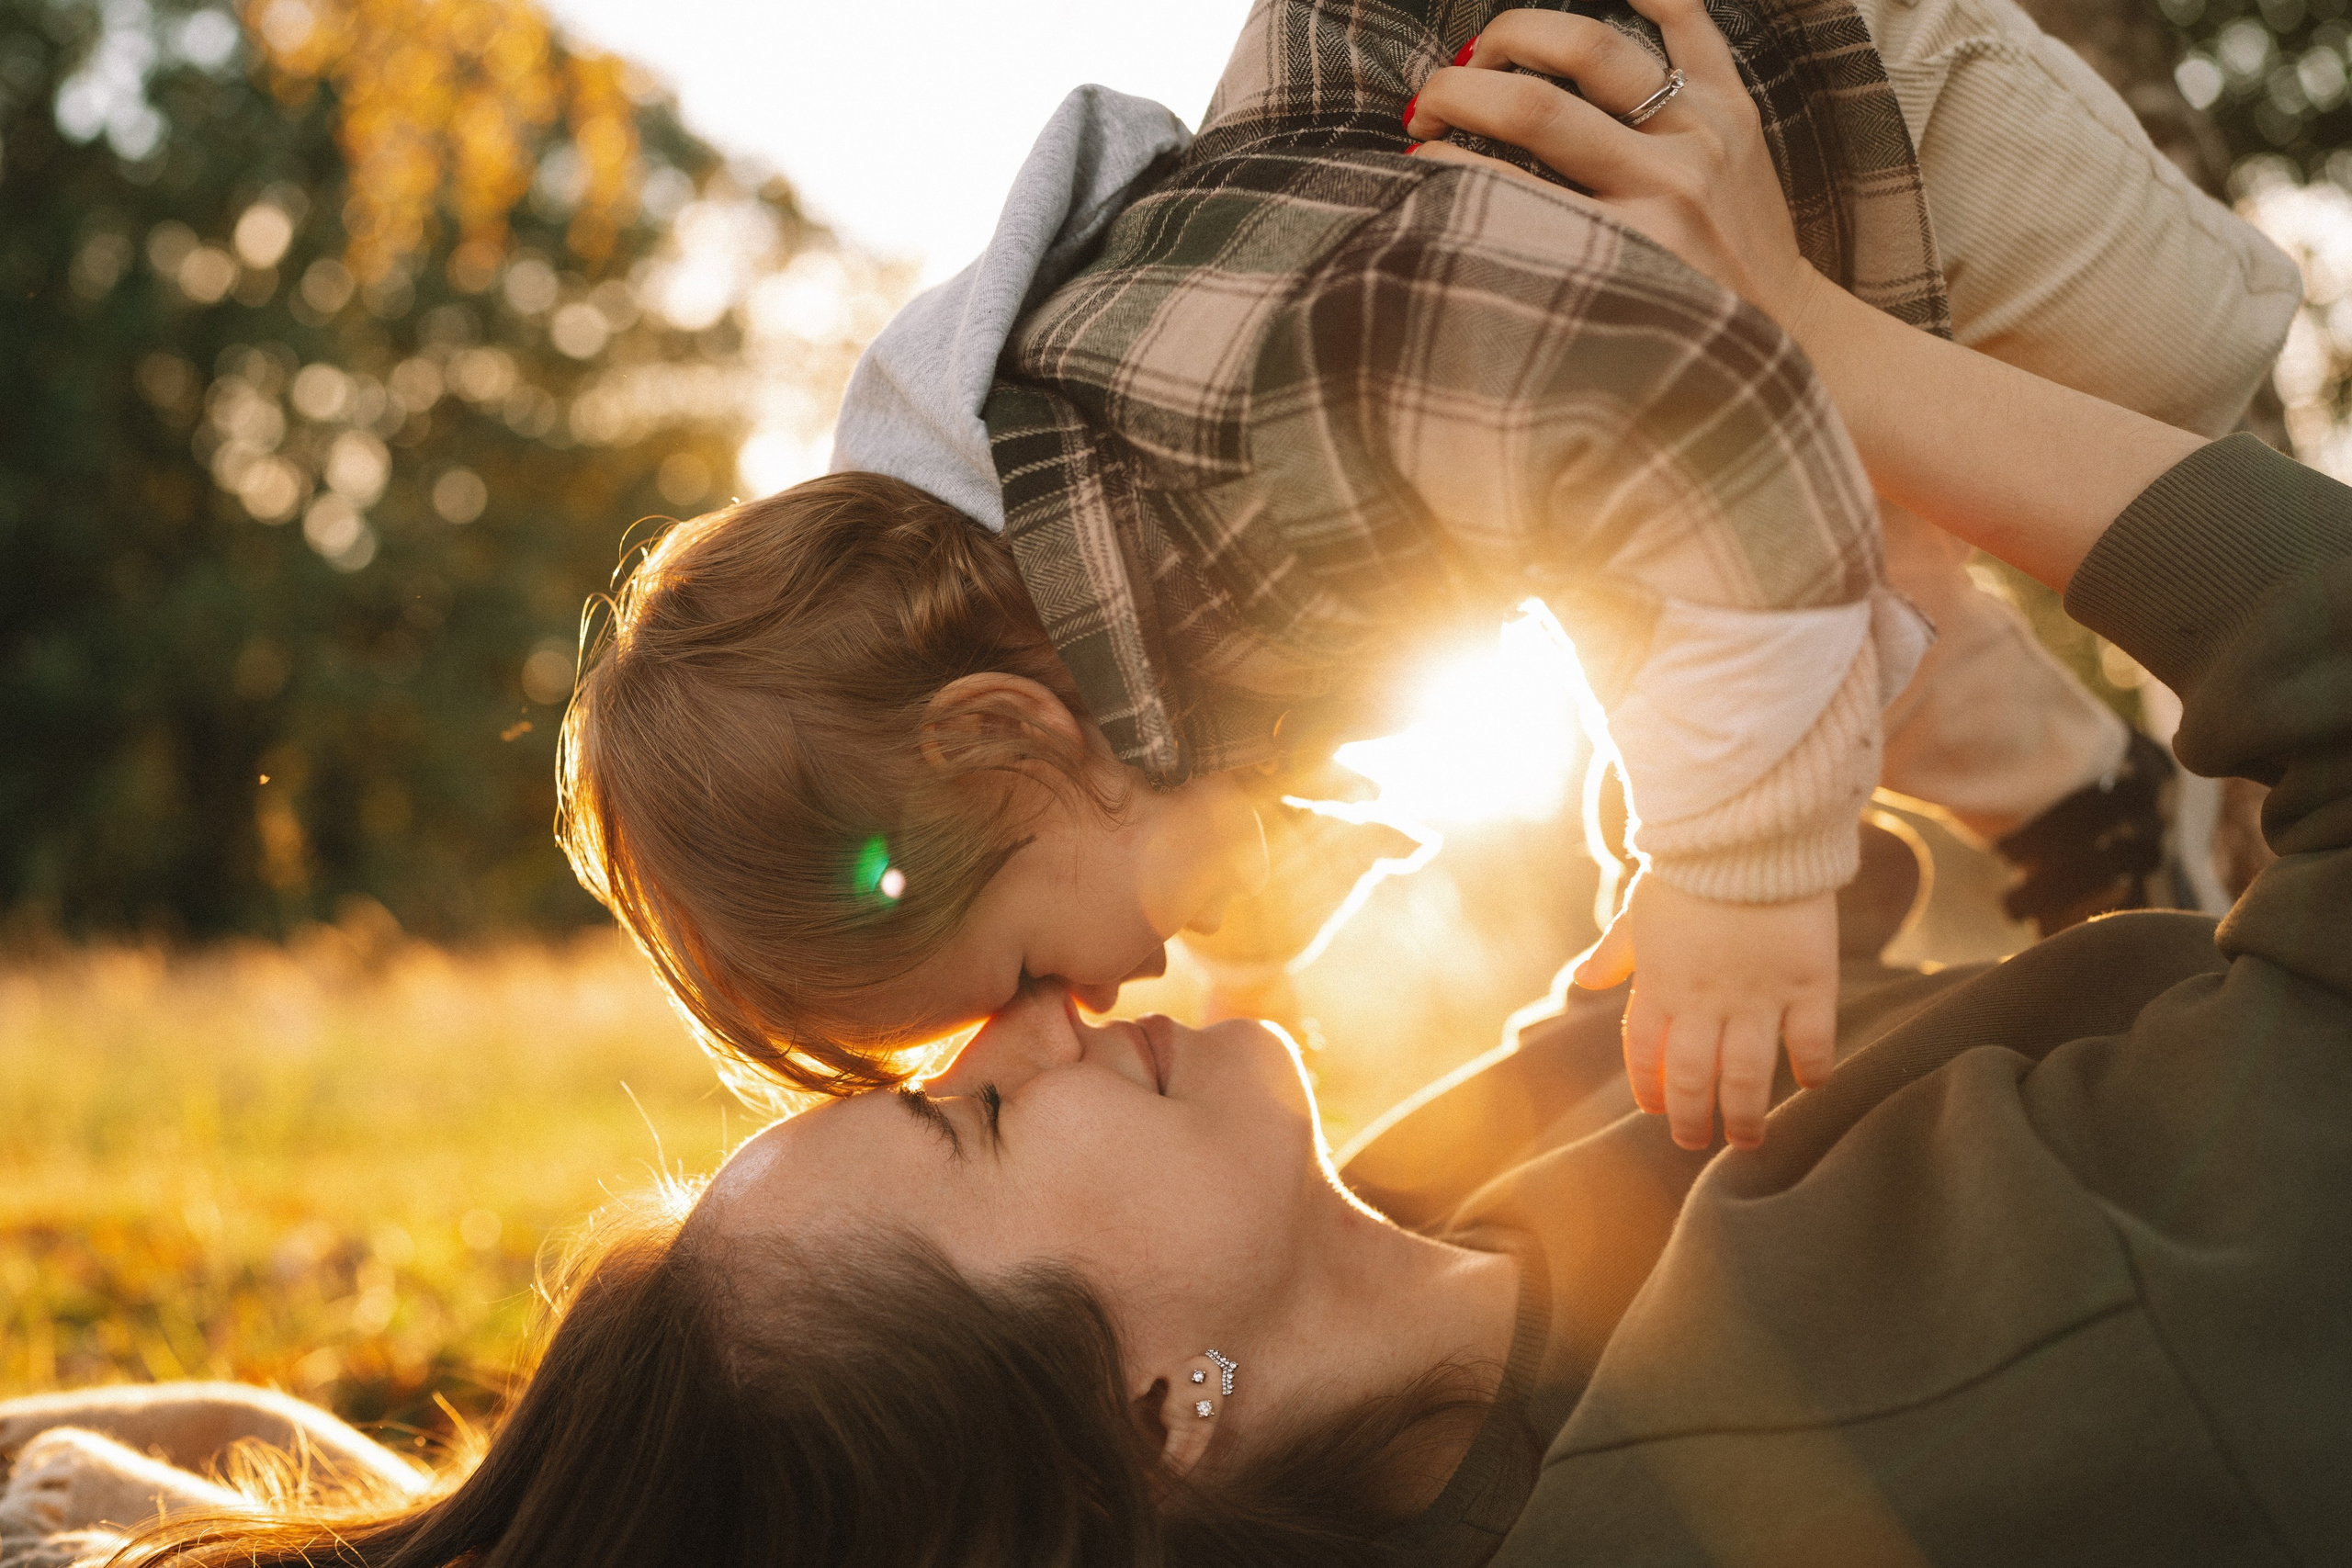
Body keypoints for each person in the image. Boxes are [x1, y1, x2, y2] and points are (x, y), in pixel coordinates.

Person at [17, 399, 2349, 1566]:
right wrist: (1807, 359)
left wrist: (316, 1495)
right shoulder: (1866, 1423)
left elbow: (1780, 952)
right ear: (1158, 1411)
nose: (1021, 1024)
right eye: (966, 1118)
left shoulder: (1421, 1245)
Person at [558, 0, 2296, 1153]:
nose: (1089, 1009)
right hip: (1634, 323)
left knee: (2183, 375)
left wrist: (1737, 867)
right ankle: (2082, 812)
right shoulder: (1120, 580)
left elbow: (1707, 409)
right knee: (1778, 587)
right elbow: (1558, 530)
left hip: (1849, 106)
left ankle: (2159, 757)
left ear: (1005, 738)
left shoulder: (1254, 416)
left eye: (1025, 973)